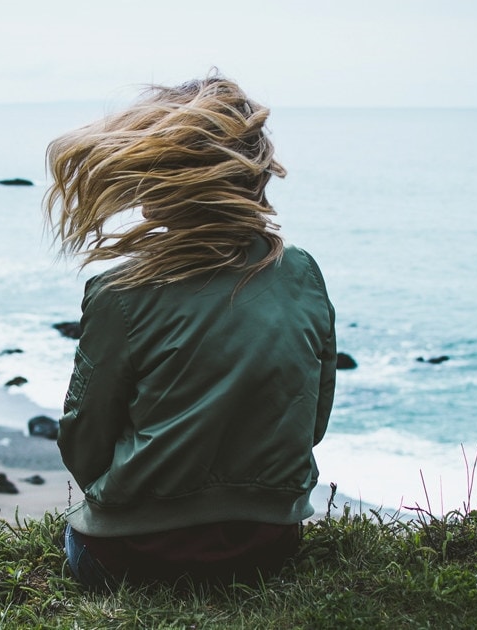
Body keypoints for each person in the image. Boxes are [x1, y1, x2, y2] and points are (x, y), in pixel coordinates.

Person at [43, 74, 337, 590]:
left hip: (129, 555)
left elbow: (84, 437)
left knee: (80, 542)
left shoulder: (121, 290)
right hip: (268, 547)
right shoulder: (301, 272)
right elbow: (312, 417)